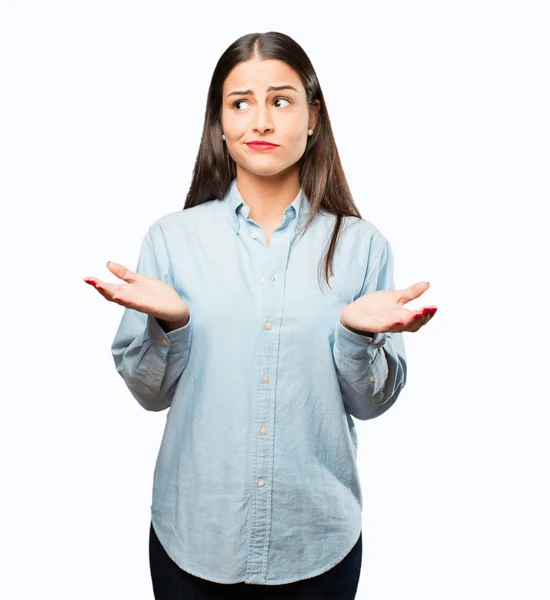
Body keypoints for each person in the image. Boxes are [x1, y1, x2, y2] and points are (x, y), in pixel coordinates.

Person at [84, 31, 436, 600]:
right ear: (220, 123)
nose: (261, 122)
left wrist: (356, 333)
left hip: (318, 542)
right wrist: (173, 323)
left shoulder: (362, 246)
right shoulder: (172, 240)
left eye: (281, 100)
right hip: (194, 538)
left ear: (313, 116)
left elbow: (371, 404)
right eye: (240, 103)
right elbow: (150, 395)